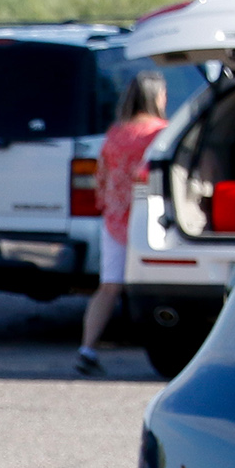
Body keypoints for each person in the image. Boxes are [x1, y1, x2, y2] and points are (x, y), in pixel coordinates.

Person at [77, 70, 171, 376]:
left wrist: (105, 203)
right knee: (160, 288)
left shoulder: (115, 133)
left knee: (108, 287)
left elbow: (100, 176)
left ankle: (87, 347)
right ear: (157, 97)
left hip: (114, 219)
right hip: (150, 219)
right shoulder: (161, 133)